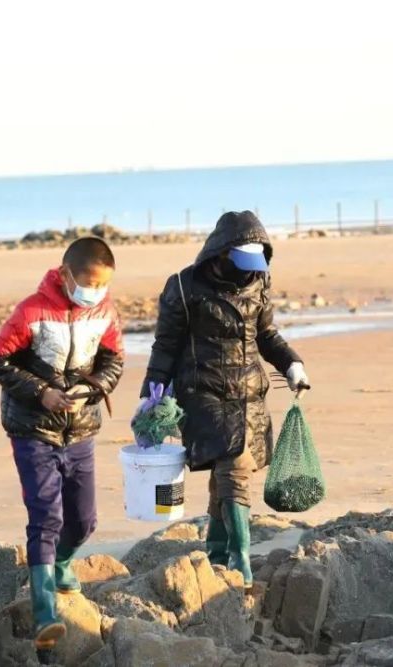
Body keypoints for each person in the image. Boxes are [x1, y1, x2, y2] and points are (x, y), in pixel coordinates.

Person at [137, 210, 308, 588]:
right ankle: (241, 555)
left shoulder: (259, 282)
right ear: (221, 254)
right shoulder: (183, 287)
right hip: (203, 392)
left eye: (255, 264)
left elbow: (266, 336)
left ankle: (216, 549)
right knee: (234, 465)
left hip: (249, 393)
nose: (248, 271)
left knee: (228, 470)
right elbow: (166, 345)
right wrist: (151, 392)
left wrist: (292, 364)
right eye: (242, 263)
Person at [0, 237, 124, 648]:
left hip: (81, 429)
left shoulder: (104, 311)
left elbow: (114, 359)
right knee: (46, 515)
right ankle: (45, 611)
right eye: (89, 283)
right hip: (33, 430)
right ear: (65, 275)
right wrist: (41, 393)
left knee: (84, 520)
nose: (95, 292)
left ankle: (63, 563)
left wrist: (95, 387)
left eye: (103, 285)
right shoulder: (31, 311)